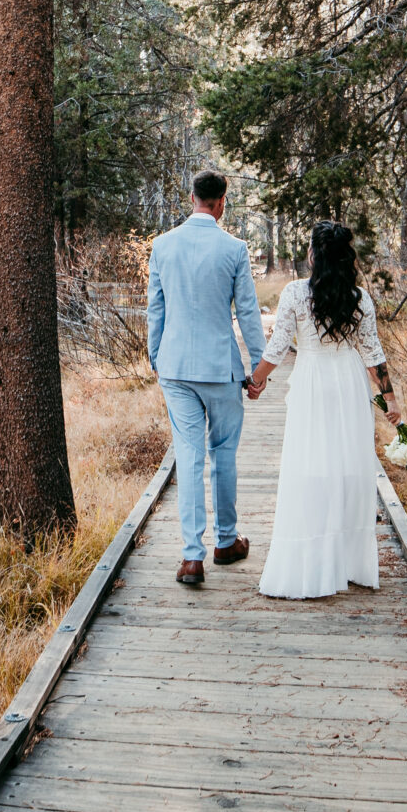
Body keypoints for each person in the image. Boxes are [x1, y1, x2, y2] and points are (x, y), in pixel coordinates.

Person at [250, 219, 392, 599]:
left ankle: (313, 563)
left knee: (309, 466)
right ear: (347, 257)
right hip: (349, 384)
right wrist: (389, 401)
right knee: (348, 468)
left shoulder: (296, 293)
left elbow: (278, 347)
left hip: (313, 384)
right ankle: (347, 562)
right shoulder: (360, 298)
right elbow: (373, 353)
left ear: (313, 254)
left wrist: (256, 380)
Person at [144, 170, 266, 586]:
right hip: (221, 368)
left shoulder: (162, 246)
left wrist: (154, 354)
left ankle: (191, 558)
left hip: (176, 368)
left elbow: (155, 308)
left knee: (190, 458)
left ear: (192, 197)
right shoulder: (234, 249)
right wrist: (259, 367)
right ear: (222, 202)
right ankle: (226, 541)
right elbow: (248, 311)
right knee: (224, 453)